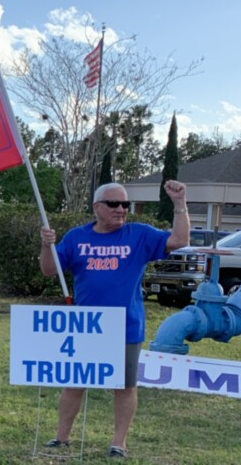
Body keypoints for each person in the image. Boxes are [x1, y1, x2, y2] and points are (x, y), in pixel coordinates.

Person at [39, 181, 190, 458]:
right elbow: (50, 270)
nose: (121, 210)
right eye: (113, 204)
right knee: (75, 383)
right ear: (97, 207)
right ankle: (61, 437)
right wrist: (47, 246)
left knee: (124, 386)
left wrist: (179, 204)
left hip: (125, 325)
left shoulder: (138, 235)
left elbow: (179, 240)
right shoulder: (76, 237)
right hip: (86, 326)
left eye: (125, 205)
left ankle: (118, 443)